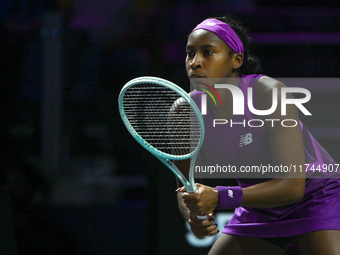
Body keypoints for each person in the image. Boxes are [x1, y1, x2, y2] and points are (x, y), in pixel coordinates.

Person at [175, 14, 340, 255]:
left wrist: (220, 197)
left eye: (208, 52)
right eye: (190, 53)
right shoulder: (184, 112)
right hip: (258, 204)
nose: (195, 62)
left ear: (236, 60)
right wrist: (193, 214)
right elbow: (184, 187)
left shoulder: (268, 93)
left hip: (315, 197)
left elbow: (293, 187)